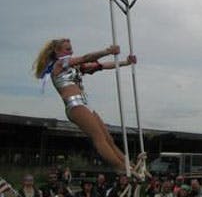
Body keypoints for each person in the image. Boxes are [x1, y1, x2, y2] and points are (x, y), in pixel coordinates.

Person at [33, 38, 138, 174]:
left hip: (85, 104)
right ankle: (120, 167)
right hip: (75, 104)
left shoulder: (74, 67)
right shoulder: (59, 64)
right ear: (57, 52)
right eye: (68, 49)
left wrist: (125, 63)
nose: (71, 51)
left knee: (108, 139)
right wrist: (107, 51)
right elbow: (85, 57)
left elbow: (102, 66)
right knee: (99, 137)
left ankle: (128, 164)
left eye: (71, 48)